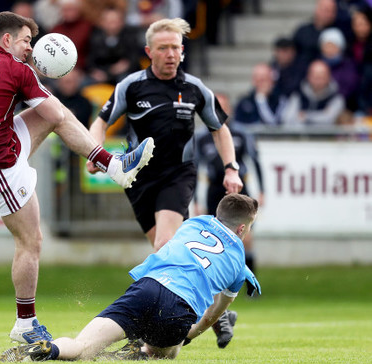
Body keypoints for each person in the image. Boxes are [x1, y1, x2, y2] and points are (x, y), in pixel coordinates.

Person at [0, 11, 154, 344]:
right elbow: (54, 113)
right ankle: (24, 324)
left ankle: (112, 165)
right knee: (31, 241)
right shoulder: (17, 69)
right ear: (6, 39)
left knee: (55, 114)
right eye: (25, 41)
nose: (30, 49)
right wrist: (36, 80)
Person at [1, 193, 261, 362]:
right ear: (241, 228)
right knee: (169, 352)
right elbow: (214, 315)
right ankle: (143, 352)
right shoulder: (240, 266)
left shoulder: (192, 224)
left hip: (147, 287)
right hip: (178, 310)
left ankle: (51, 349)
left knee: (82, 348)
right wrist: (190, 336)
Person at [87, 17, 243, 253]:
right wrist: (95, 153)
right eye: (163, 48)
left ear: (182, 50)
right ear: (149, 51)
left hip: (178, 174)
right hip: (137, 177)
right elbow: (100, 122)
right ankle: (192, 287)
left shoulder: (195, 88)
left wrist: (231, 168)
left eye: (175, 47)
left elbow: (220, 129)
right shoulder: (131, 86)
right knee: (165, 253)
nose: (170, 54)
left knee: (165, 244)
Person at [195, 93, 265, 291]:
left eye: (223, 107)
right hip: (214, 191)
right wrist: (195, 201)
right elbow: (194, 168)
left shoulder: (242, 133)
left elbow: (255, 161)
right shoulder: (201, 137)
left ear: (230, 110)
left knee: (245, 237)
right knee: (212, 239)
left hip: (239, 190)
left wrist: (262, 191)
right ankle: (216, 285)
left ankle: (250, 284)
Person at [281, 59, 346, 126]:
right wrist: (321, 114)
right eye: (315, 76)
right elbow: (287, 119)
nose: (318, 80)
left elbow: (330, 120)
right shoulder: (297, 95)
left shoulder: (337, 98)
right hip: (300, 136)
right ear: (308, 76)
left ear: (329, 77)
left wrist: (306, 116)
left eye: (321, 76)